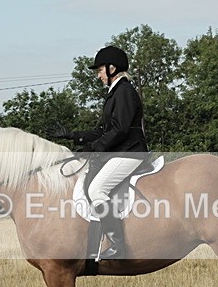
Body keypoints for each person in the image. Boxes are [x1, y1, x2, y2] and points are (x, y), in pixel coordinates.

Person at [48, 45, 148, 260]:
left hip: (130, 152)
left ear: (112, 68)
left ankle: (118, 245)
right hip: (120, 152)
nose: (98, 75)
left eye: (100, 70)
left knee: (97, 190)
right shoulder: (115, 93)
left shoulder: (124, 91)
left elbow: (120, 130)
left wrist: (95, 148)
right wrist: (73, 136)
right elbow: (102, 130)